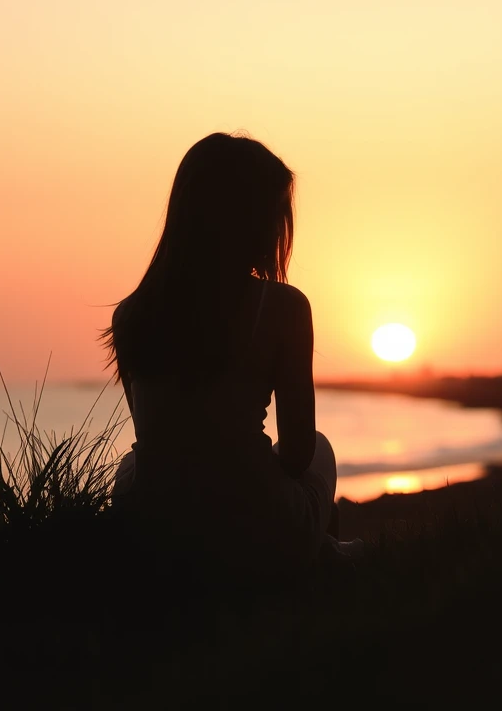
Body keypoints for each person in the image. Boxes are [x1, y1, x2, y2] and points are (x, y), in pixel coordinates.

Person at [102, 132, 345, 575]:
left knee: (134, 463)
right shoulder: (284, 307)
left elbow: (166, 449)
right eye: (275, 213)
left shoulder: (131, 315)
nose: (279, 227)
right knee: (322, 450)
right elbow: (296, 455)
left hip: (155, 540)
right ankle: (316, 553)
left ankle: (319, 550)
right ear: (250, 219)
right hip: (260, 536)